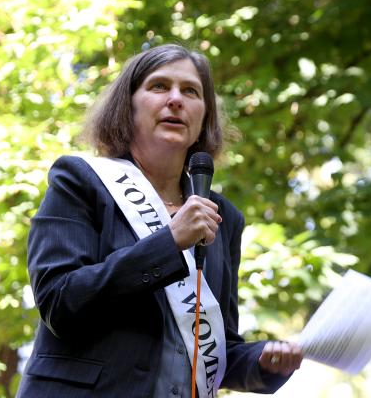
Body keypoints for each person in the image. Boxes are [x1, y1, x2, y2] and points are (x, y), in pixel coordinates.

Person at [17, 44, 303, 397]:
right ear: (129, 106)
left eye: (191, 91)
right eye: (158, 86)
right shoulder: (81, 180)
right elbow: (59, 302)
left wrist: (264, 362)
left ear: (203, 119)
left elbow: (216, 349)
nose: (176, 99)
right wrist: (169, 242)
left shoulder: (223, 217)